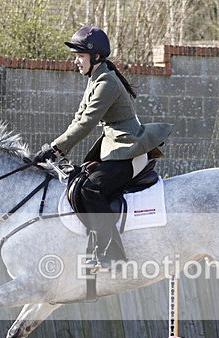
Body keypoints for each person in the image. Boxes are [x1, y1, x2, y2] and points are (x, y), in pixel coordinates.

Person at [34, 26, 172, 271]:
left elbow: (87, 123)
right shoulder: (96, 79)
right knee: (79, 181)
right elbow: (79, 118)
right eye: (76, 56)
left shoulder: (107, 81)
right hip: (116, 148)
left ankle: (111, 254)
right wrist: (54, 147)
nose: (76, 61)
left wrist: (57, 149)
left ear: (95, 56)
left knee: (90, 189)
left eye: (80, 56)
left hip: (130, 150)